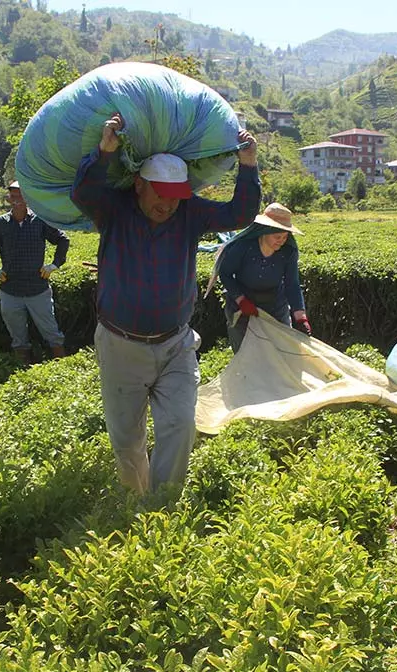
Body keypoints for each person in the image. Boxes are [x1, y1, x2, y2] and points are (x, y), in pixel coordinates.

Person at [71, 113, 261, 495]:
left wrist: (249, 164)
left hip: (175, 345)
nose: (168, 206)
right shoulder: (115, 210)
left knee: (179, 425)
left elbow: (241, 214)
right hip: (121, 346)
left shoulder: (190, 212)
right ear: (139, 185)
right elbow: (83, 194)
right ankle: (137, 501)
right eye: (161, 195)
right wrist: (105, 152)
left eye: (176, 198)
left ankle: (162, 507)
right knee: (127, 441)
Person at [0, 180, 70, 364]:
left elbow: (62, 240)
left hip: (38, 289)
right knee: (18, 337)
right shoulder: (0, 224)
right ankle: (23, 370)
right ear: (9, 199)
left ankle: (63, 366)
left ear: (28, 197)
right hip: (10, 290)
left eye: (20, 195)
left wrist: (54, 265)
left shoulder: (40, 221)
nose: (16, 199)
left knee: (51, 332)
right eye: (13, 195)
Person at [218, 202, 312, 353]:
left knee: (282, 352)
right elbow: (225, 273)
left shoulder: (288, 251)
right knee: (246, 354)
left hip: (275, 305)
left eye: (285, 236)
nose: (282, 240)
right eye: (277, 236)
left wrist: (301, 318)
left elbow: (292, 284)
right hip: (242, 306)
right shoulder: (243, 247)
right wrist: (241, 300)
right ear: (264, 231)